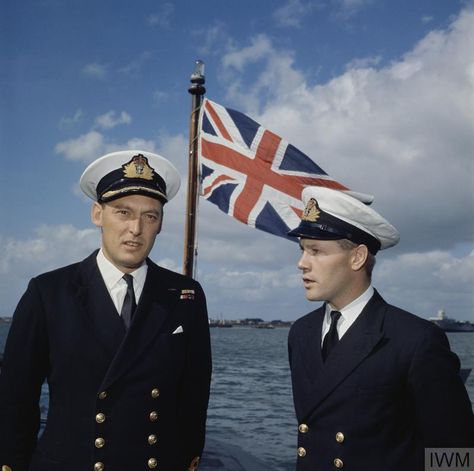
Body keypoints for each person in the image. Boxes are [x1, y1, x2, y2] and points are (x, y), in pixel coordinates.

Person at [0, 150, 212, 471]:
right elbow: (17, 398)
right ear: (97, 214)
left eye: (150, 216)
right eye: (123, 212)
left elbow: (194, 394)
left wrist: (187, 457)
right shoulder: (48, 293)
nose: (136, 228)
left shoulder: (184, 296)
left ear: (160, 224)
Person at [287, 186, 474, 471]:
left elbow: (456, 452)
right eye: (302, 249)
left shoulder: (415, 340)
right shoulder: (301, 333)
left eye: (316, 251)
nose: (302, 263)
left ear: (357, 257)